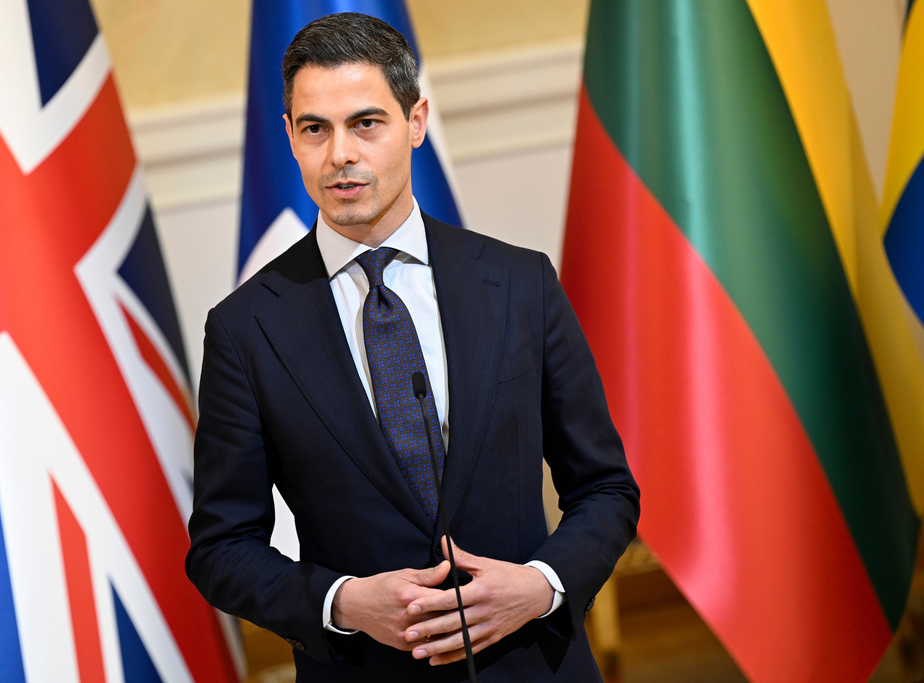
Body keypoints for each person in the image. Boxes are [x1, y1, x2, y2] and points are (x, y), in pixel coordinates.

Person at [186, 11, 639, 682]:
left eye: (366, 123)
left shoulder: (520, 283)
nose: (341, 153)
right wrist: (343, 601)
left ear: (416, 120)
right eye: (316, 128)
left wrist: (541, 584)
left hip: (533, 665)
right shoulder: (245, 329)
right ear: (288, 136)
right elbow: (222, 547)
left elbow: (605, 487)